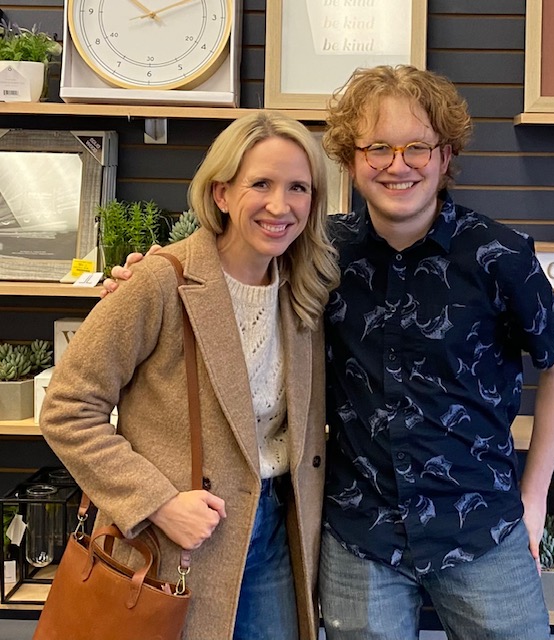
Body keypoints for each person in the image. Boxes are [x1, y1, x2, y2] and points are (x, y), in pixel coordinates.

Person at [105, 65, 554, 640]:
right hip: (362, 536)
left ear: (446, 155)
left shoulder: (500, 255)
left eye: (416, 147)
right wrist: (148, 275)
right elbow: (226, 267)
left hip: (481, 529)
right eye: (377, 147)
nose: (397, 164)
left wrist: (535, 499)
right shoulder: (316, 251)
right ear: (351, 161)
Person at [40, 111, 340, 640]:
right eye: (261, 184)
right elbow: (67, 408)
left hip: (275, 536)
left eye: (299, 187)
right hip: (174, 542)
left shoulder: (305, 290)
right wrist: (156, 502)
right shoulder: (161, 281)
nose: (281, 205)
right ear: (222, 193)